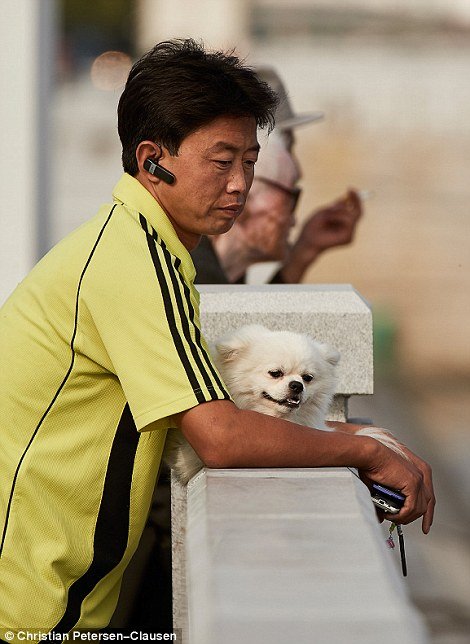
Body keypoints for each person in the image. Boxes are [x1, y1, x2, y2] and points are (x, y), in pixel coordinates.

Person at [0, 39, 434, 634]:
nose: (240, 185)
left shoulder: (143, 248)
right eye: (221, 160)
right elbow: (221, 437)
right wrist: (363, 451)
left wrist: (342, 431)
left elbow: (212, 411)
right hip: (32, 602)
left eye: (250, 163)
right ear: (153, 159)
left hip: (52, 588)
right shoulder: (132, 263)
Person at [191, 67, 363, 285]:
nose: (293, 219)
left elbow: (245, 314)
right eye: (288, 143)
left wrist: (306, 249)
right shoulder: (194, 270)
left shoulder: (213, 266)